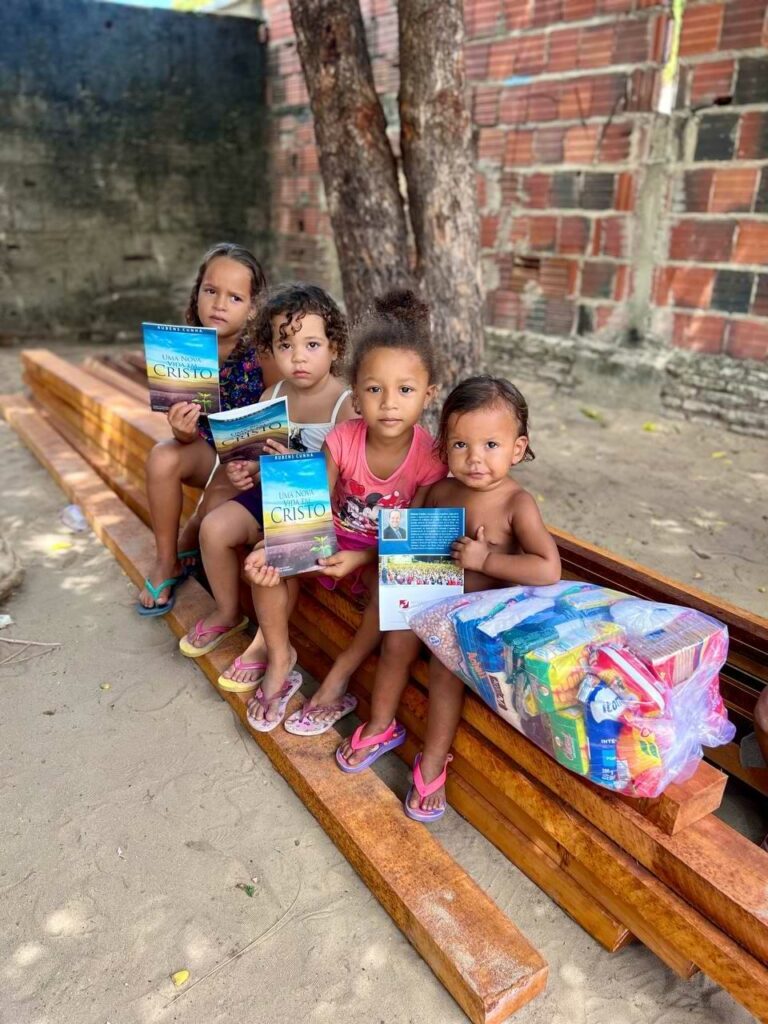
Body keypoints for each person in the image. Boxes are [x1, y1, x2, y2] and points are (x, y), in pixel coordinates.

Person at [336, 375, 561, 822]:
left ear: (517, 449)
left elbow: (547, 568)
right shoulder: (440, 490)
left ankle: (433, 760)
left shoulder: (518, 503)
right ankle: (382, 725)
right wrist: (393, 561)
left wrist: (486, 559)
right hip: (426, 599)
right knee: (395, 641)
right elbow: (407, 542)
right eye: (461, 446)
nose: (475, 458)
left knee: (445, 665)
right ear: (444, 448)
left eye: (491, 446)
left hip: (472, 618)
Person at [242, 290, 447, 734]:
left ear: (428, 395)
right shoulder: (341, 441)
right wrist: (273, 543)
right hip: (329, 540)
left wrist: (361, 557)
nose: (389, 402)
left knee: (395, 585)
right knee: (263, 562)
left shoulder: (432, 459)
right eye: (374, 389)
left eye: (405, 390)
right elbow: (310, 509)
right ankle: (280, 657)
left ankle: (339, 677)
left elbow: (413, 550)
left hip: (378, 556)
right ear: (355, 396)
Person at [178, 283, 355, 666]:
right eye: (285, 346)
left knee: (275, 555)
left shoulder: (345, 404)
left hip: (316, 509)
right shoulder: (270, 397)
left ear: (334, 348)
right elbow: (258, 461)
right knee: (214, 527)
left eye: (311, 345)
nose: (298, 358)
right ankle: (227, 611)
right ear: (272, 349)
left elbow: (347, 480)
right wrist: (248, 471)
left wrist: (298, 462)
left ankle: (266, 644)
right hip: (270, 496)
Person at [137, 242, 273, 616]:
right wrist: (180, 431)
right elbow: (189, 434)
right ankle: (167, 561)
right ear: (197, 292)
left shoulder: (264, 353)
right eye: (211, 291)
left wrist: (251, 463)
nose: (219, 304)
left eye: (235, 297)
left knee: (212, 509)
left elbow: (283, 416)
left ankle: (193, 536)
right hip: (208, 452)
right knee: (162, 455)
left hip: (252, 462)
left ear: (253, 307)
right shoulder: (184, 350)